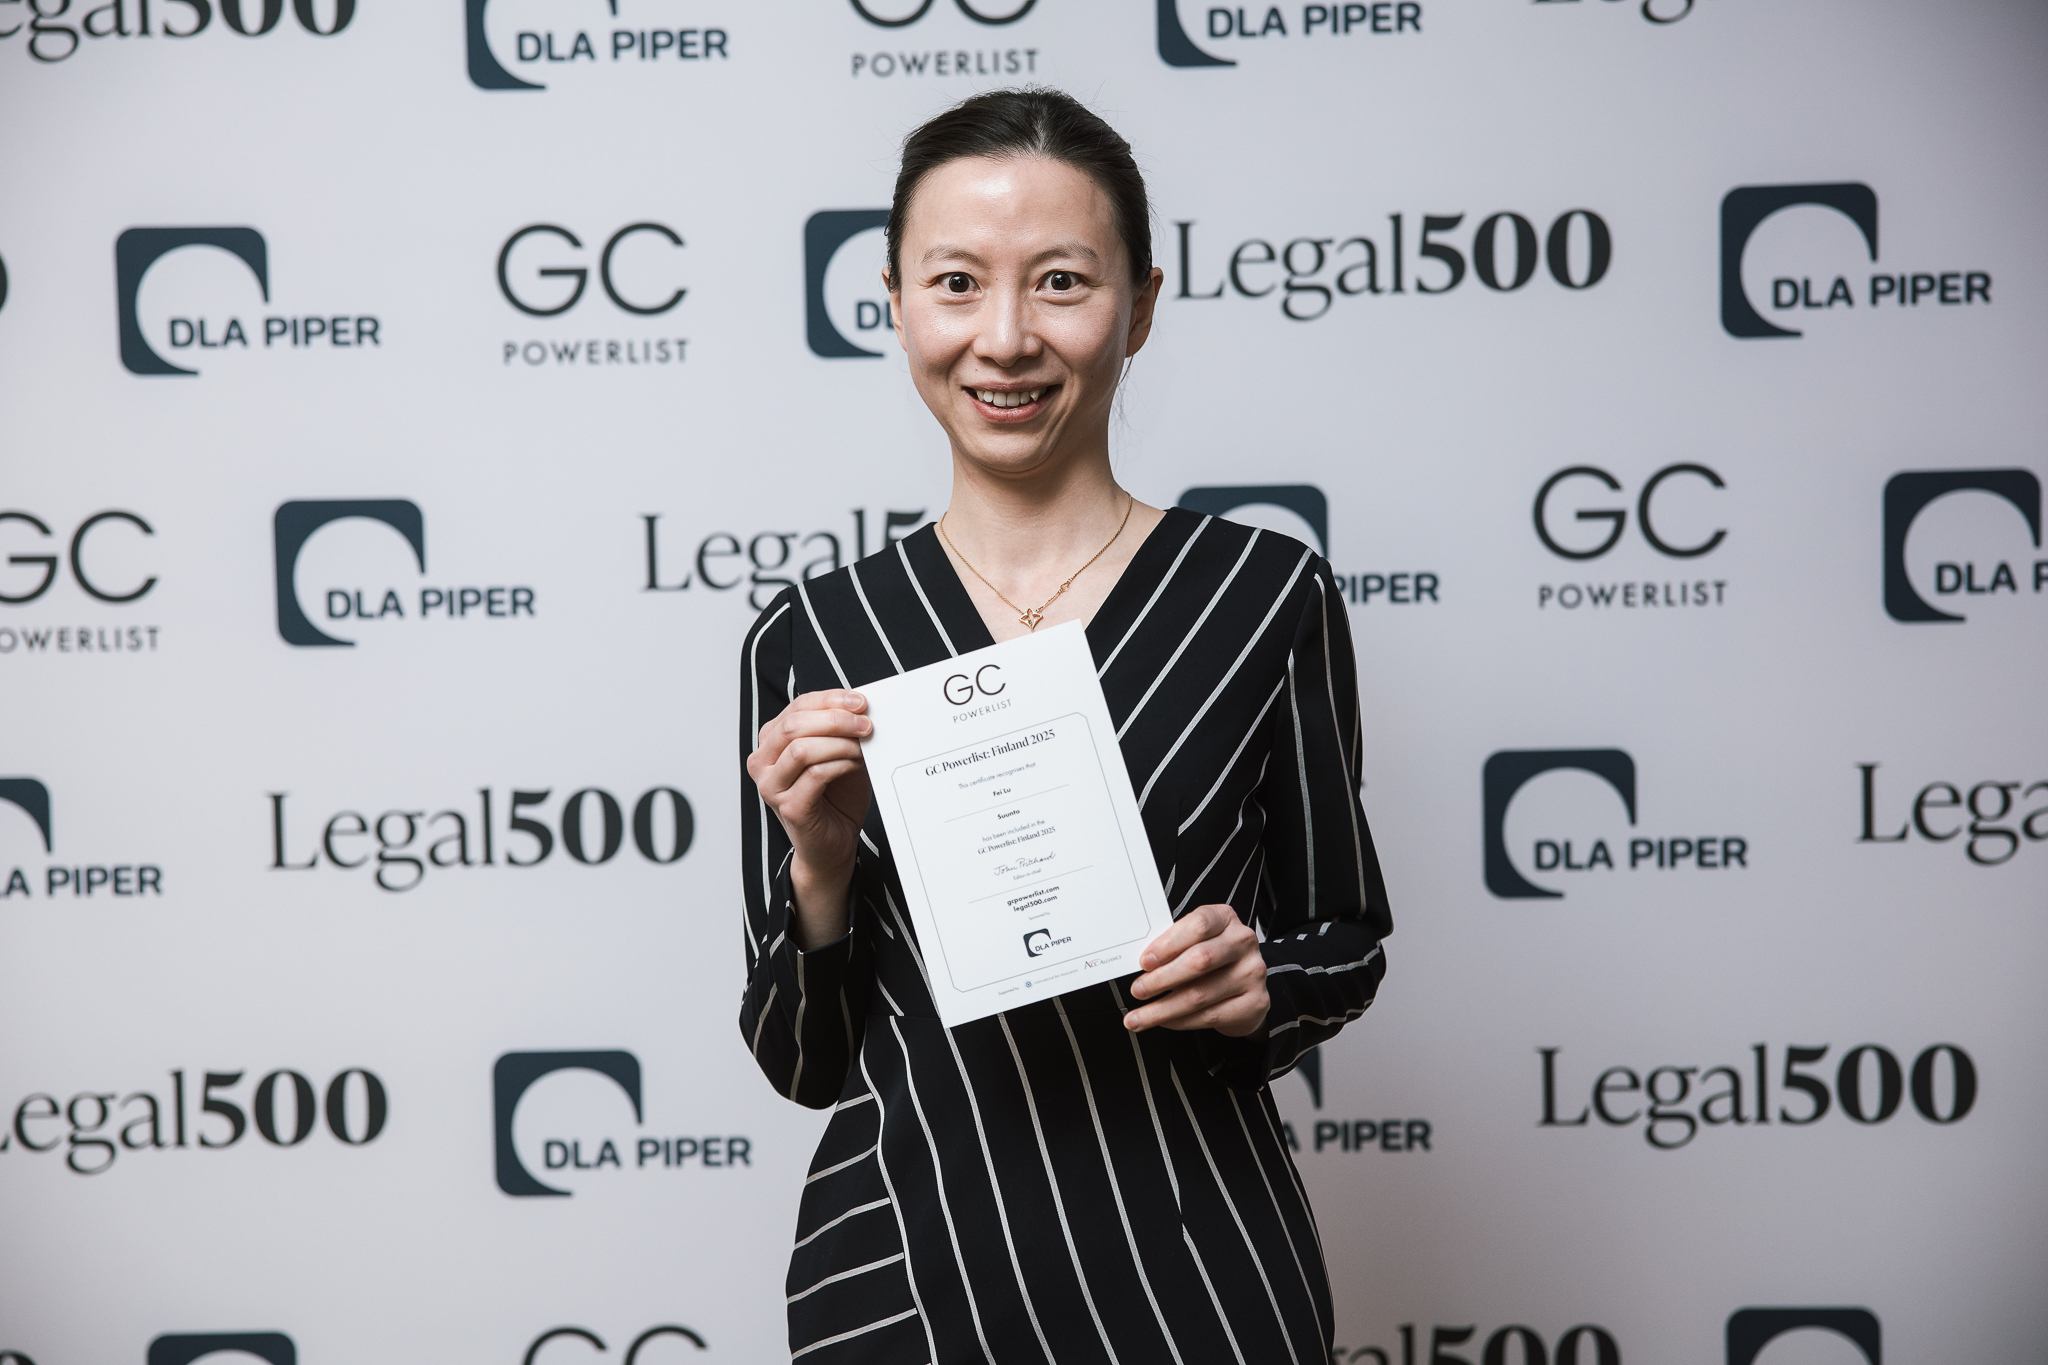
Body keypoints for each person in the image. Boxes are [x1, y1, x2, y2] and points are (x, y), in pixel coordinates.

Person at [737, 87, 1393, 1365]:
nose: (1004, 339)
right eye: (955, 284)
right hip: (905, 1271)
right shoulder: (809, 638)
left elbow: (1343, 939)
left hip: (1195, 1266)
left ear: (1139, 306)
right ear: (893, 303)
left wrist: (1260, 983)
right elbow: (801, 1061)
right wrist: (817, 864)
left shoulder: (1261, 597)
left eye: (1059, 283)